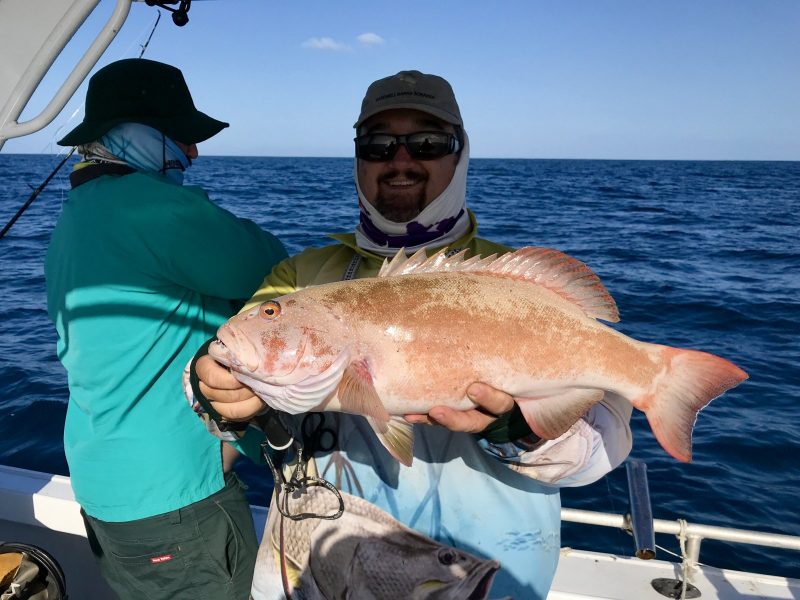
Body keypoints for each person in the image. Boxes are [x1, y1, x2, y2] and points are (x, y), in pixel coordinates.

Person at [195, 70, 633, 599]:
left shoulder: (515, 284)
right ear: (358, 159)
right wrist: (215, 393)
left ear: (460, 152)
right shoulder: (299, 279)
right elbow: (230, 370)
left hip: (488, 581)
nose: (400, 160)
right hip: (315, 575)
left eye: (427, 143)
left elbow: (604, 450)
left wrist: (524, 430)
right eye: (378, 145)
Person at [45, 58, 288, 600]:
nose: (193, 152)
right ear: (133, 133)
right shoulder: (155, 209)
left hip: (101, 482)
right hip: (174, 499)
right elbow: (270, 263)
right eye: (181, 136)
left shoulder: (76, 216)